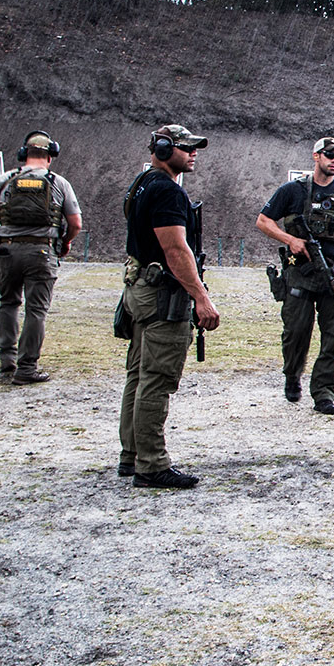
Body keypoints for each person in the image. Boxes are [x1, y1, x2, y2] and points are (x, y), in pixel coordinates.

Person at [118, 125, 221, 490]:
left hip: (141, 290)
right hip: (162, 296)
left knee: (138, 374)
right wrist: (201, 297)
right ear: (163, 149)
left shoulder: (142, 183)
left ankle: (132, 454)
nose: (193, 153)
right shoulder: (167, 191)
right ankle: (151, 464)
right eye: (185, 147)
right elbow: (176, 250)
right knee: (157, 379)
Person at [255, 137, 334, 414]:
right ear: (316, 156)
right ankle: (292, 374)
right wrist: (290, 239)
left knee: (332, 337)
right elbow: (263, 221)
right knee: (296, 331)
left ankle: (324, 392)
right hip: (299, 272)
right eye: (329, 155)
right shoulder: (292, 191)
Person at [0, 131, 82, 384]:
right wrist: (65, 242)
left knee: (8, 303)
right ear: (50, 156)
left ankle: (7, 361)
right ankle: (26, 368)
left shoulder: (4, 180)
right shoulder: (59, 183)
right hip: (42, 252)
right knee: (36, 310)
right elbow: (76, 223)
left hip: (7, 251)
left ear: (24, 154)